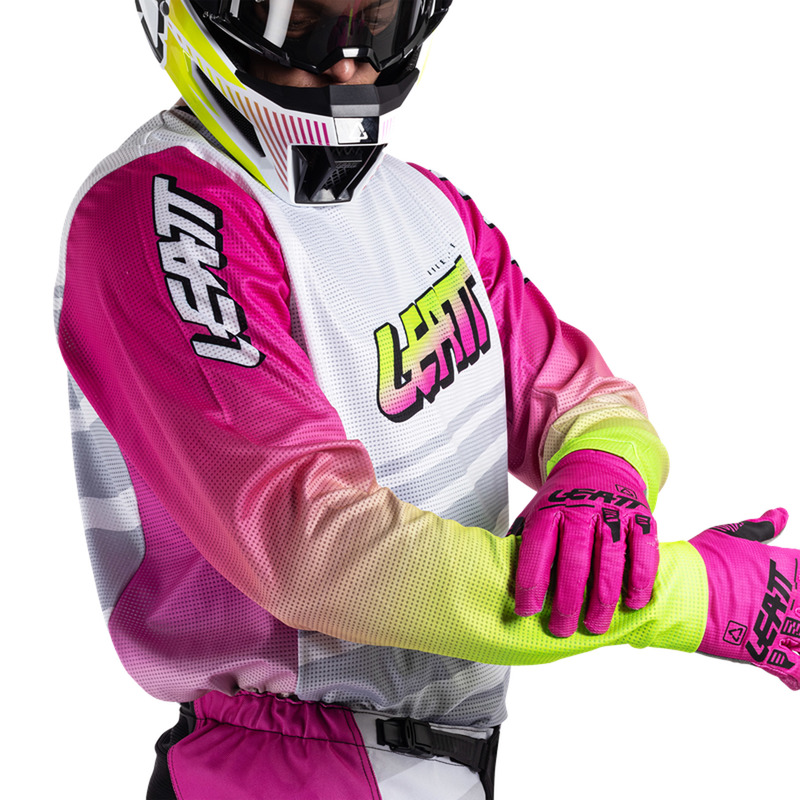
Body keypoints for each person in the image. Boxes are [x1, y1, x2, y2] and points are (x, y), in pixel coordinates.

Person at [54, 2, 799, 798]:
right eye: (303, 22)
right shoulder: (171, 208)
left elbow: (582, 395)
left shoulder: (425, 205)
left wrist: (602, 482)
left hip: (438, 761)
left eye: (376, 18)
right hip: (284, 768)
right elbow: (320, 550)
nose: (349, 61)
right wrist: (689, 596)